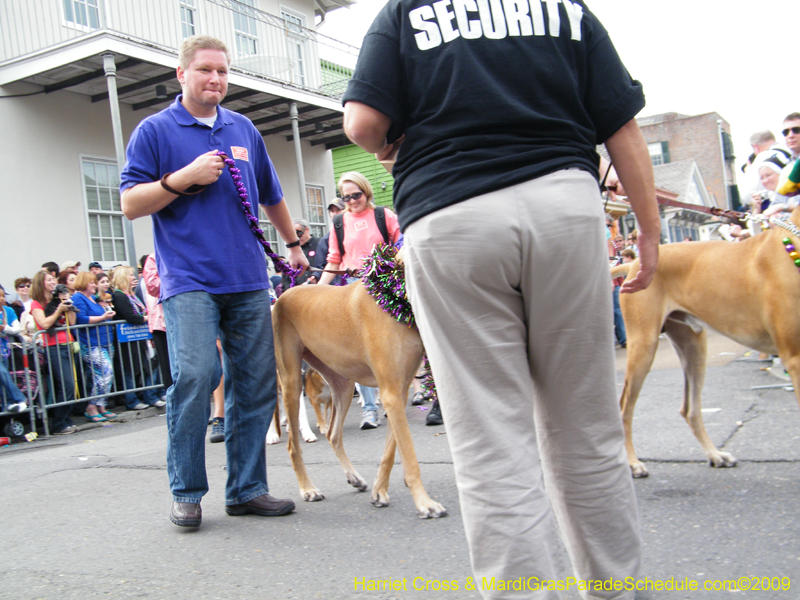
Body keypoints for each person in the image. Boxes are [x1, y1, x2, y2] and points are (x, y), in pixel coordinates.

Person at [341, 1, 661, 595]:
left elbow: (362, 124)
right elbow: (622, 126)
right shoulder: (565, 8)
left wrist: (389, 144)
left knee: (490, 433)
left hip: (452, 212)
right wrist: (647, 231)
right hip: (563, 203)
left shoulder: (406, 11)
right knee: (586, 425)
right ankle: (619, 588)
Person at [119, 34, 307, 528]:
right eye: (205, 70)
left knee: (256, 383)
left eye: (222, 71)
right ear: (182, 75)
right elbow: (131, 203)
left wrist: (291, 245)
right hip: (189, 280)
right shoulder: (156, 130)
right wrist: (181, 178)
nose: (216, 79)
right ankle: (186, 491)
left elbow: (271, 193)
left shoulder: (243, 128)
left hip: (246, 278)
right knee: (198, 376)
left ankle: (247, 490)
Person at [317, 172, 401, 429]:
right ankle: (369, 408)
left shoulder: (383, 216)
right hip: (354, 291)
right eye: (347, 197)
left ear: (367, 192)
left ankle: (394, 398)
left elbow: (401, 244)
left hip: (386, 286)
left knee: (391, 346)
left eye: (357, 195)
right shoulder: (340, 223)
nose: (352, 201)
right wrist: (317, 291)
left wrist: (384, 264)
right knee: (361, 351)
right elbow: (334, 259)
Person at [29, 271, 78, 435]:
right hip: (53, 346)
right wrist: (58, 310)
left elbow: (71, 321)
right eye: (49, 279)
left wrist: (67, 304)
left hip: (67, 343)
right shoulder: (36, 304)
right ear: (40, 283)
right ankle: (58, 423)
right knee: (66, 384)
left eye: (53, 279)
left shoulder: (58, 299)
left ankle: (65, 419)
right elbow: (43, 324)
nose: (52, 281)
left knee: (71, 384)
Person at [110, 266, 164, 411]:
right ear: (123, 277)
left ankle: (151, 395)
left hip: (140, 337)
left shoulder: (132, 294)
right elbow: (131, 316)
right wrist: (147, 318)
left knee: (148, 365)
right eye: (130, 275)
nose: (134, 278)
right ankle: (131, 399)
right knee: (130, 369)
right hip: (127, 339)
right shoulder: (119, 295)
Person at [71, 271, 117, 422]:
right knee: (105, 372)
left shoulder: (92, 298)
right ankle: (92, 406)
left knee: (105, 376)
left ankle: (101, 405)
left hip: (104, 341)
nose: (94, 285)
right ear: (84, 283)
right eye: (91, 282)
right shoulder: (78, 298)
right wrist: (103, 317)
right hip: (91, 343)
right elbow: (81, 318)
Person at [312, 198, 346, 285]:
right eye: (332, 211)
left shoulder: (354, 232)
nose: (335, 214)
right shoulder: (325, 240)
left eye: (338, 210)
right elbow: (321, 266)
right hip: (336, 284)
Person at [281, 218, 319, 289]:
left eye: (298, 233)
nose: (297, 238)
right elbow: (287, 277)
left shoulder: (320, 245)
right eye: (293, 235)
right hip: (298, 292)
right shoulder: (293, 249)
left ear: (307, 230)